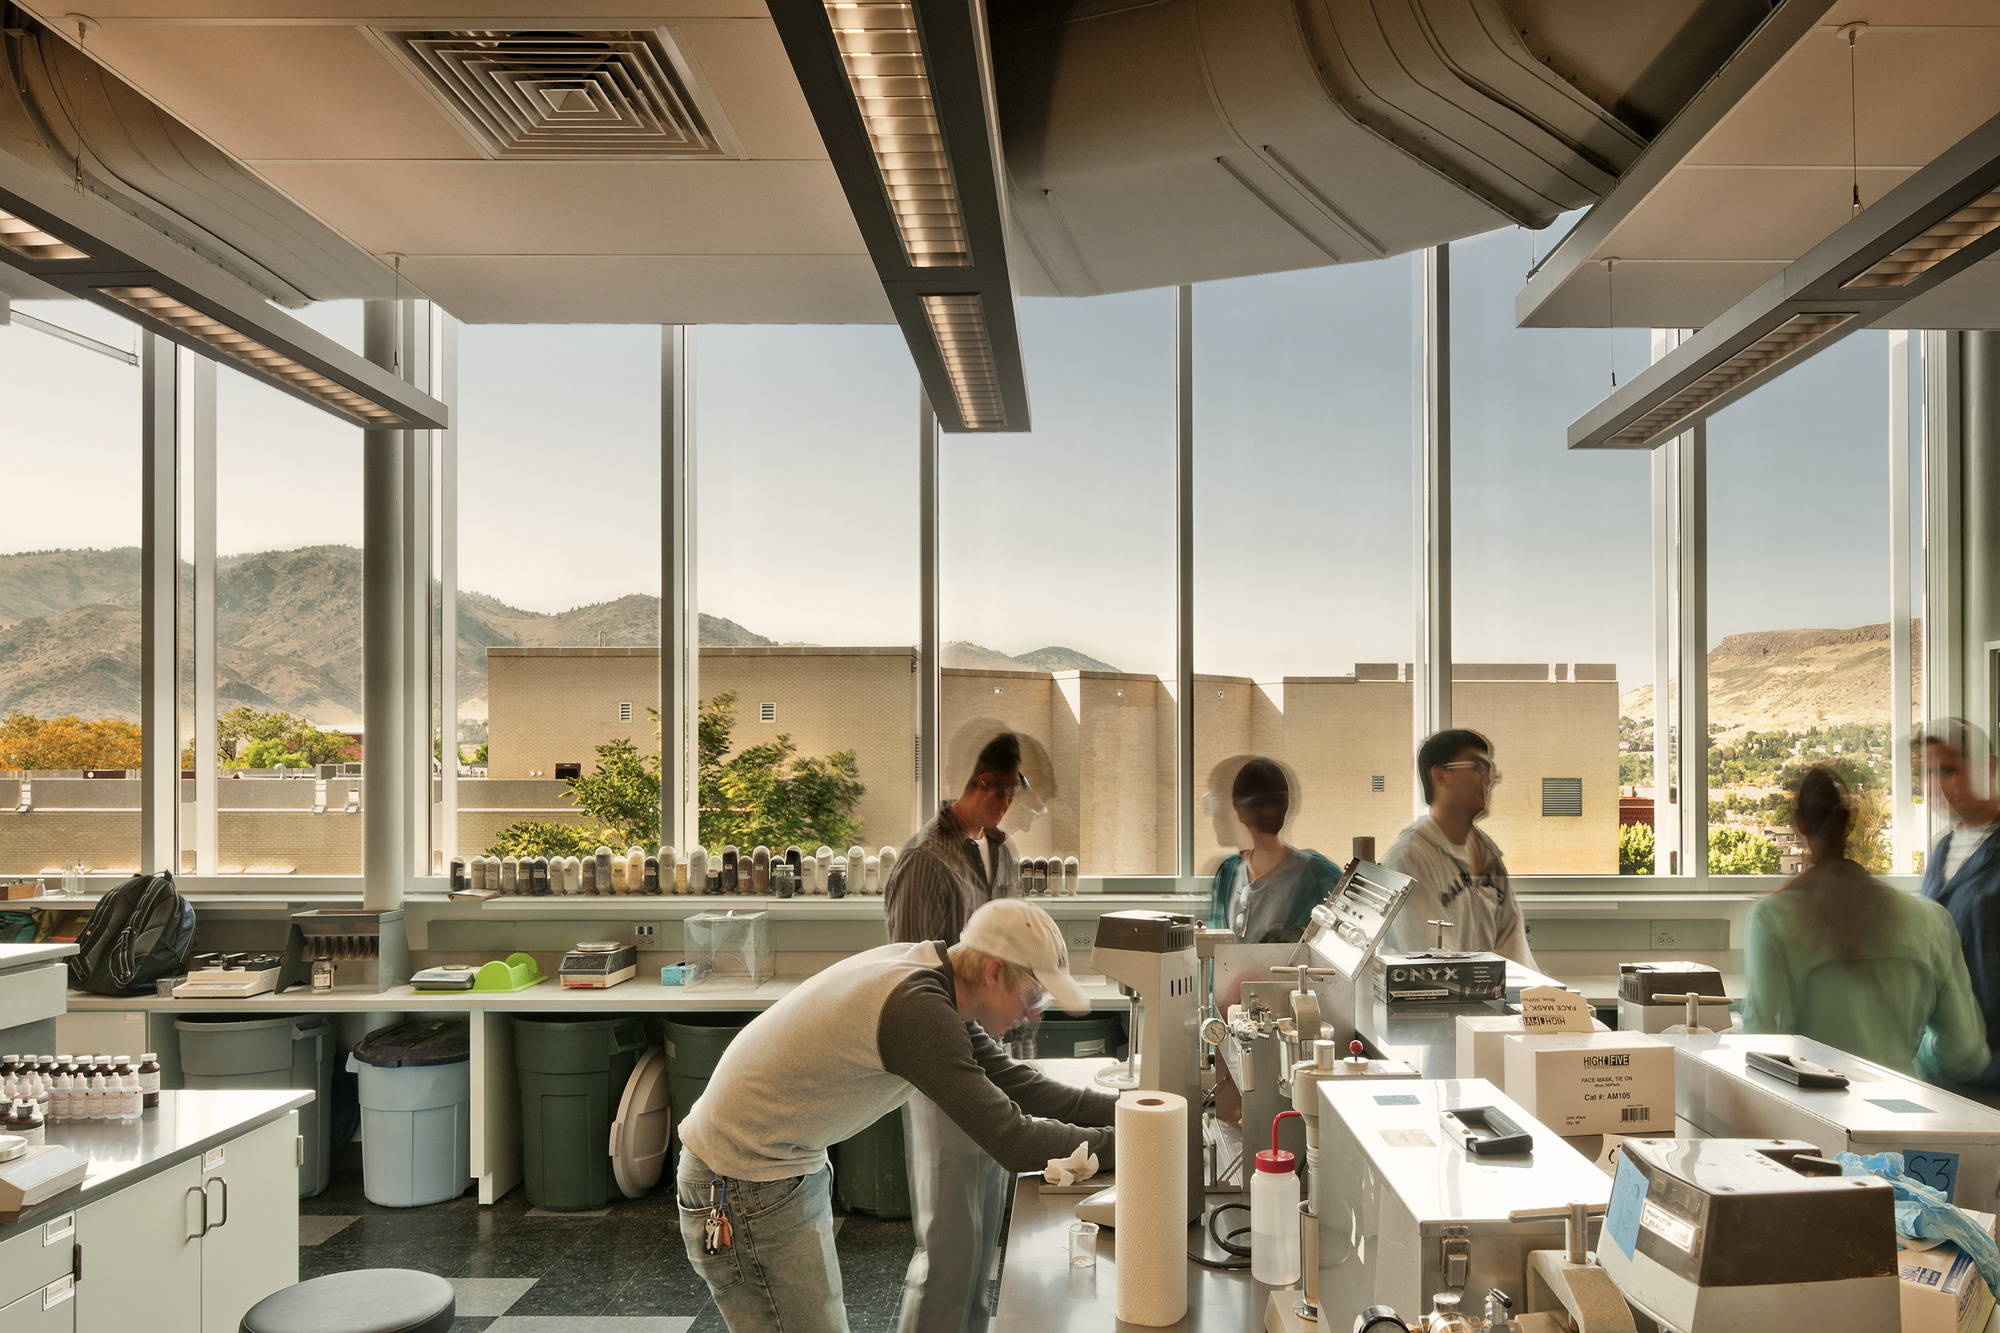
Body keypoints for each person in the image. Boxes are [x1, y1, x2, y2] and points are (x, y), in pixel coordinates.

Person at [676, 899, 1115, 1333]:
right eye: (1034, 993)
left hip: (775, 1167)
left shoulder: (932, 979)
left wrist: (1136, 1112)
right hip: (742, 1179)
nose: (1035, 1012)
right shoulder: (918, 1009)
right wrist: (1137, 1143)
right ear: (994, 972)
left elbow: (1019, 1085)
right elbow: (1012, 1140)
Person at [882, 730, 1027, 1333]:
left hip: (997, 1061)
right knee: (948, 1253)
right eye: (988, 785)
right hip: (949, 1070)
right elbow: (916, 982)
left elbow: (1012, 950)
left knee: (981, 1251)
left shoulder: (1001, 852)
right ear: (966, 781)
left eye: (1009, 787)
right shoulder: (925, 862)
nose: (999, 800)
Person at [1744, 766, 1986, 1081]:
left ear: (1799, 822)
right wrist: (1901, 1067)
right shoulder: (1931, 920)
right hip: (1906, 1113)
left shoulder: (1772, 920)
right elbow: (1965, 1052)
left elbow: (1759, 1046)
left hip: (1814, 1115)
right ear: (1851, 822)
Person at [1384, 728, 1536, 968]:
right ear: (1440, 775)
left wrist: (1536, 998)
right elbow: (1431, 961)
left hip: (1494, 997)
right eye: (1478, 767)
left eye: (1489, 771)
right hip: (1439, 1000)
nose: (1487, 779)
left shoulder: (1488, 854)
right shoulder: (1410, 857)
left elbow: (1514, 947)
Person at [1922, 719, 2000, 1087]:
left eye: (1950, 770)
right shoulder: (1942, 850)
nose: (1938, 785)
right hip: (1943, 1065)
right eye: (1929, 772)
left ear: (1989, 767)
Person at [1204, 756, 1343, 943]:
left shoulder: (1322, 880)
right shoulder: (1228, 875)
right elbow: (1214, 955)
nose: (1214, 813)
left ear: (1239, 811)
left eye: (1216, 800)